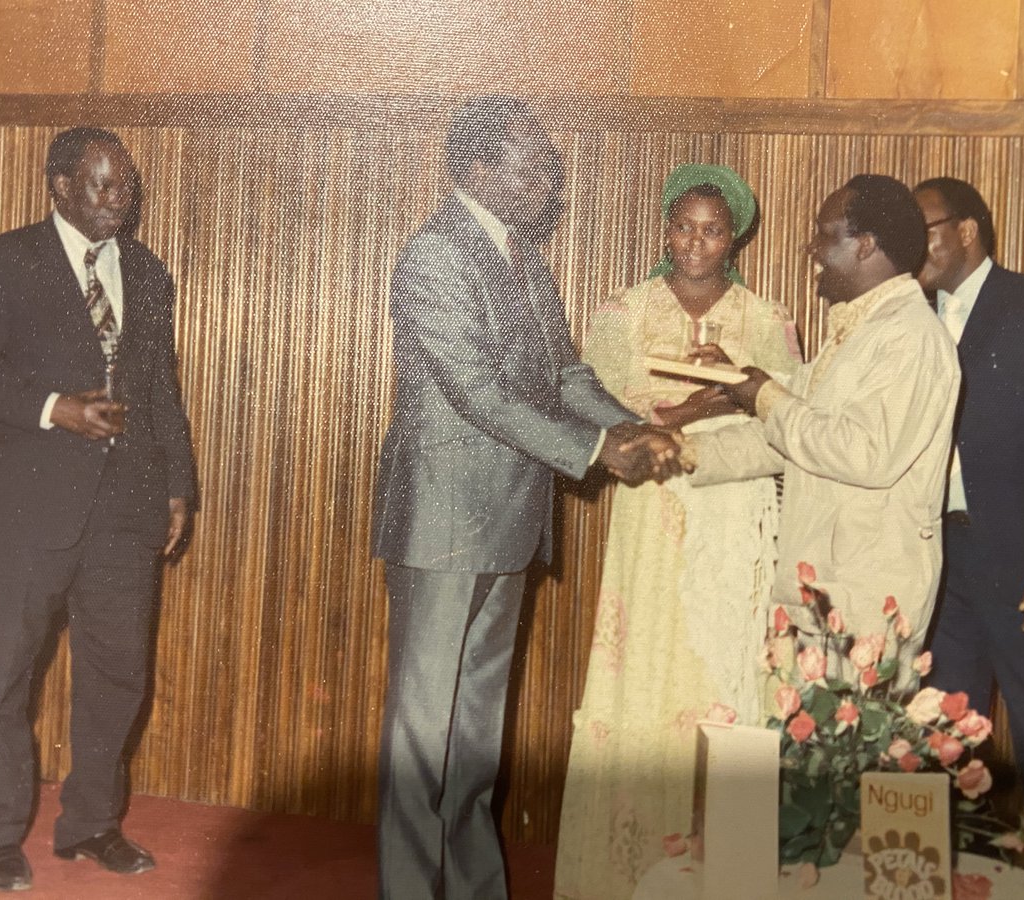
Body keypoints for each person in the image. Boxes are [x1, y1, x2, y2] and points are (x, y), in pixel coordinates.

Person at [369, 95, 684, 900]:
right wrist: (597, 451)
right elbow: (479, 391)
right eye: (533, 167)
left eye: (549, 169)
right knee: (422, 734)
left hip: (507, 520)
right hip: (442, 524)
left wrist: (630, 427)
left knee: (476, 732)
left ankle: (475, 889)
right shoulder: (434, 254)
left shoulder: (525, 259)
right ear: (478, 168)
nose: (548, 183)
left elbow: (565, 376)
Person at [0, 127, 196, 892]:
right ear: (59, 185)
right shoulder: (7, 260)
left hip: (127, 513)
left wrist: (177, 486)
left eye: (127, 187)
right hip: (33, 509)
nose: (120, 200)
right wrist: (55, 407)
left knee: (118, 677)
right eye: (102, 185)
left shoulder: (146, 272)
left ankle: (91, 823)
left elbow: (161, 390)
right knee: (9, 678)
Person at [552, 164, 802, 899]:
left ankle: (737, 872)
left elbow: (789, 418)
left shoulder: (766, 318)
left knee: (732, 671)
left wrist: (730, 397)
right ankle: (624, 872)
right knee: (650, 667)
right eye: (684, 227)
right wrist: (693, 409)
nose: (696, 243)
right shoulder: (623, 312)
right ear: (666, 229)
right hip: (652, 514)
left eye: (713, 231)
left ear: (735, 240)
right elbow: (591, 407)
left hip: (736, 514)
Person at [684, 174, 960, 680]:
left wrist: (765, 397)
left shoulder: (911, 337)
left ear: (866, 246)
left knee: (854, 735)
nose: (810, 248)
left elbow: (864, 454)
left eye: (824, 234)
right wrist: (684, 450)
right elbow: (789, 438)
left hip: (870, 604)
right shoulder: (858, 331)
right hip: (822, 593)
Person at [914, 176, 1024, 827]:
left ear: (966, 231)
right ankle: (958, 864)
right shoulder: (910, 319)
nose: (911, 246)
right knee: (945, 737)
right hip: (939, 559)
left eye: (923, 230)